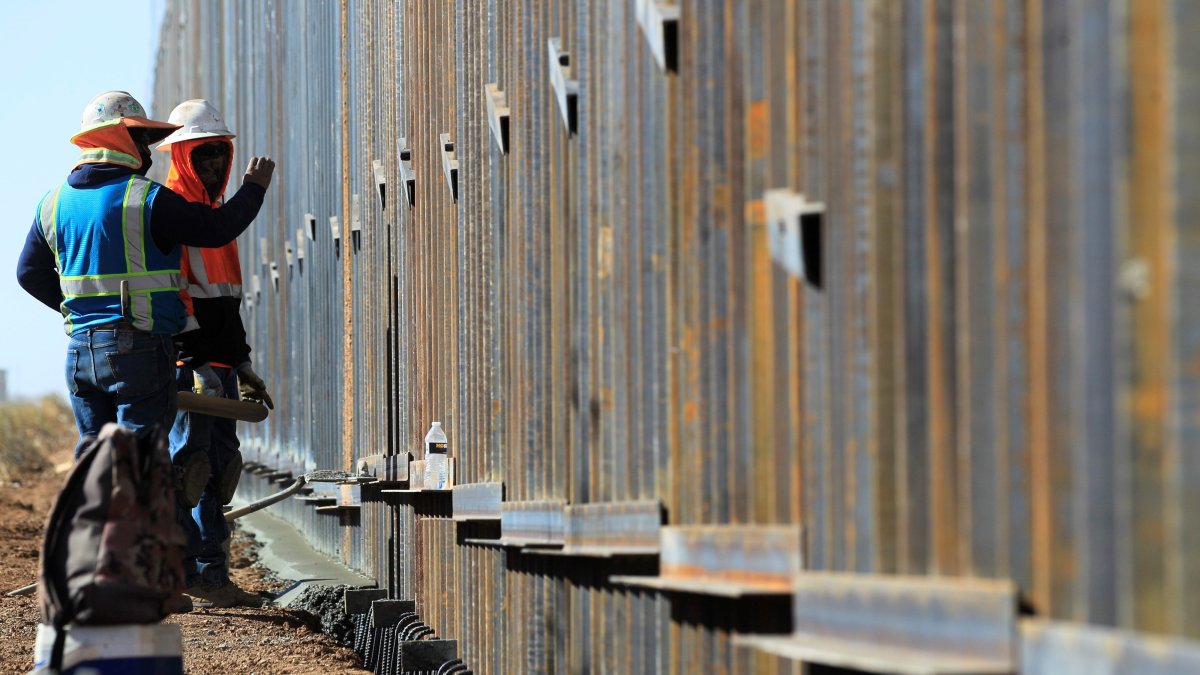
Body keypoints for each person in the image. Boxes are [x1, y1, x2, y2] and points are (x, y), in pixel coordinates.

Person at [15, 91, 275, 458]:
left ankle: (95, 515)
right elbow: (216, 229)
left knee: (97, 462)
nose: (149, 151)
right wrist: (254, 189)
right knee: (141, 464)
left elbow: (28, 273)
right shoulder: (145, 198)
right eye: (141, 139)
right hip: (138, 350)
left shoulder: (52, 202)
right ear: (117, 139)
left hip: (80, 352)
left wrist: (80, 312)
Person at [157, 99, 271, 608]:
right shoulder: (177, 212)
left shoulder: (213, 217)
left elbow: (224, 300)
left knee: (219, 471)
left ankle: (212, 576)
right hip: (193, 368)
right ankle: (189, 574)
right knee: (190, 468)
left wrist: (241, 362)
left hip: (220, 368)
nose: (212, 166)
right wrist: (196, 362)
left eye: (218, 156)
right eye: (202, 156)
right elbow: (180, 299)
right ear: (181, 156)